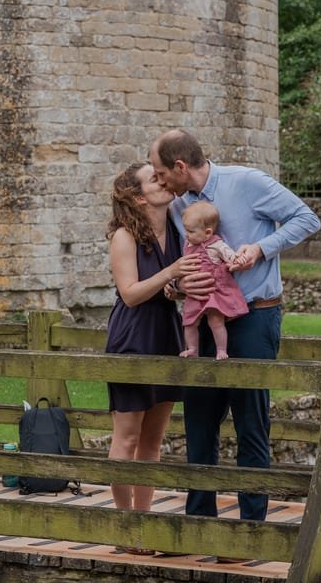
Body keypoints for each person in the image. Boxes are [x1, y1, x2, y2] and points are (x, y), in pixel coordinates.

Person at [149, 129, 320, 525]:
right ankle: (199, 525)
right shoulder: (178, 208)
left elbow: (307, 218)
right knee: (199, 424)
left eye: (160, 173)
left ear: (179, 166)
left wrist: (261, 249)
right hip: (202, 323)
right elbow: (181, 265)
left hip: (255, 317)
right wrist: (177, 285)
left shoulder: (247, 182)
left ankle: (250, 528)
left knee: (250, 423)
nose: (158, 181)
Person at [104, 161, 200, 543]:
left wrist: (179, 288)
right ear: (139, 197)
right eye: (153, 178)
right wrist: (172, 270)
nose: (163, 181)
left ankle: (145, 523)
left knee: (153, 440)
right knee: (127, 437)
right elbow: (129, 294)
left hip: (166, 333)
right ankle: (125, 526)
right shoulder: (125, 236)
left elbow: (170, 289)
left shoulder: (176, 232)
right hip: (132, 335)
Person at [179, 200, 249, 360]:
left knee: (216, 321)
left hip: (214, 291)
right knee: (189, 322)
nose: (186, 234)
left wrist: (237, 259)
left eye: (190, 231)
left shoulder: (216, 245)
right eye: (185, 229)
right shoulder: (188, 244)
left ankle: (221, 350)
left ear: (208, 232)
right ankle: (192, 349)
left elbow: (230, 256)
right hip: (195, 292)